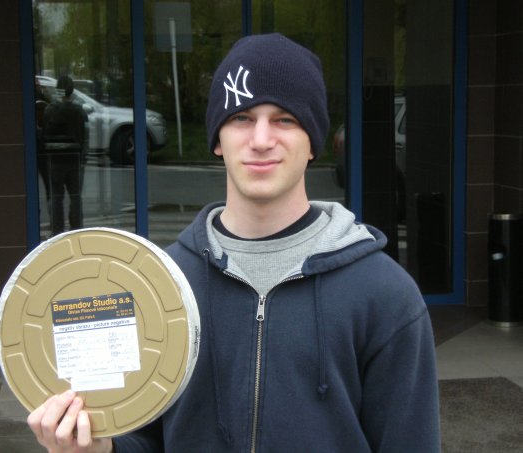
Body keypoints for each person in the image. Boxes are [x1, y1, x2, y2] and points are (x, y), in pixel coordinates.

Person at [27, 33, 440, 452]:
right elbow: (147, 437)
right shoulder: (163, 283)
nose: (261, 139)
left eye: (285, 119)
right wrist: (99, 448)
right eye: (242, 117)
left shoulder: (385, 295)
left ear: (313, 142)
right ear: (217, 139)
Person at [41, 75, 88, 236]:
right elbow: (83, 137)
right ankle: (76, 230)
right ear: (72, 90)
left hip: (55, 159)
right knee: (75, 197)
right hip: (73, 159)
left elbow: (44, 134)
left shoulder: (50, 110)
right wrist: (83, 158)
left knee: (56, 197)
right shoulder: (77, 111)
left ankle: (57, 231)